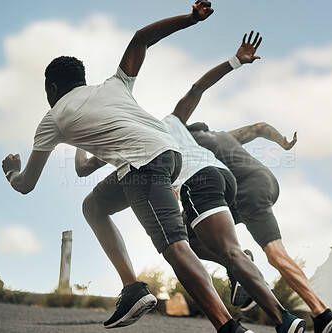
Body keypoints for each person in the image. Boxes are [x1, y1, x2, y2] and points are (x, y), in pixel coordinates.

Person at [1, 3, 253, 333]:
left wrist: (10, 169)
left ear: (51, 90)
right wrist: (191, 19)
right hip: (168, 155)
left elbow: (26, 184)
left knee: (174, 247)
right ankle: (133, 288)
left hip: (143, 166)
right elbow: (141, 39)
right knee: (93, 205)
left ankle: (230, 328)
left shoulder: (52, 118)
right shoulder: (112, 87)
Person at [76, 32, 308, 333]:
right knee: (192, 243)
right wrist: (235, 61)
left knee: (214, 250)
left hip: (196, 181)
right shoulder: (171, 123)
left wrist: (80, 134)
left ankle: (280, 318)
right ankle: (256, 289)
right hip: (221, 177)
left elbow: (84, 167)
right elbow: (198, 89)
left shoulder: (147, 131)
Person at [187, 121, 332, 333]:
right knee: (197, 230)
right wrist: (283, 143)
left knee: (274, 253)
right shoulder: (225, 135)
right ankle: (240, 268)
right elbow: (259, 128)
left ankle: (322, 312)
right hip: (265, 181)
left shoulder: (190, 140)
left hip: (245, 189)